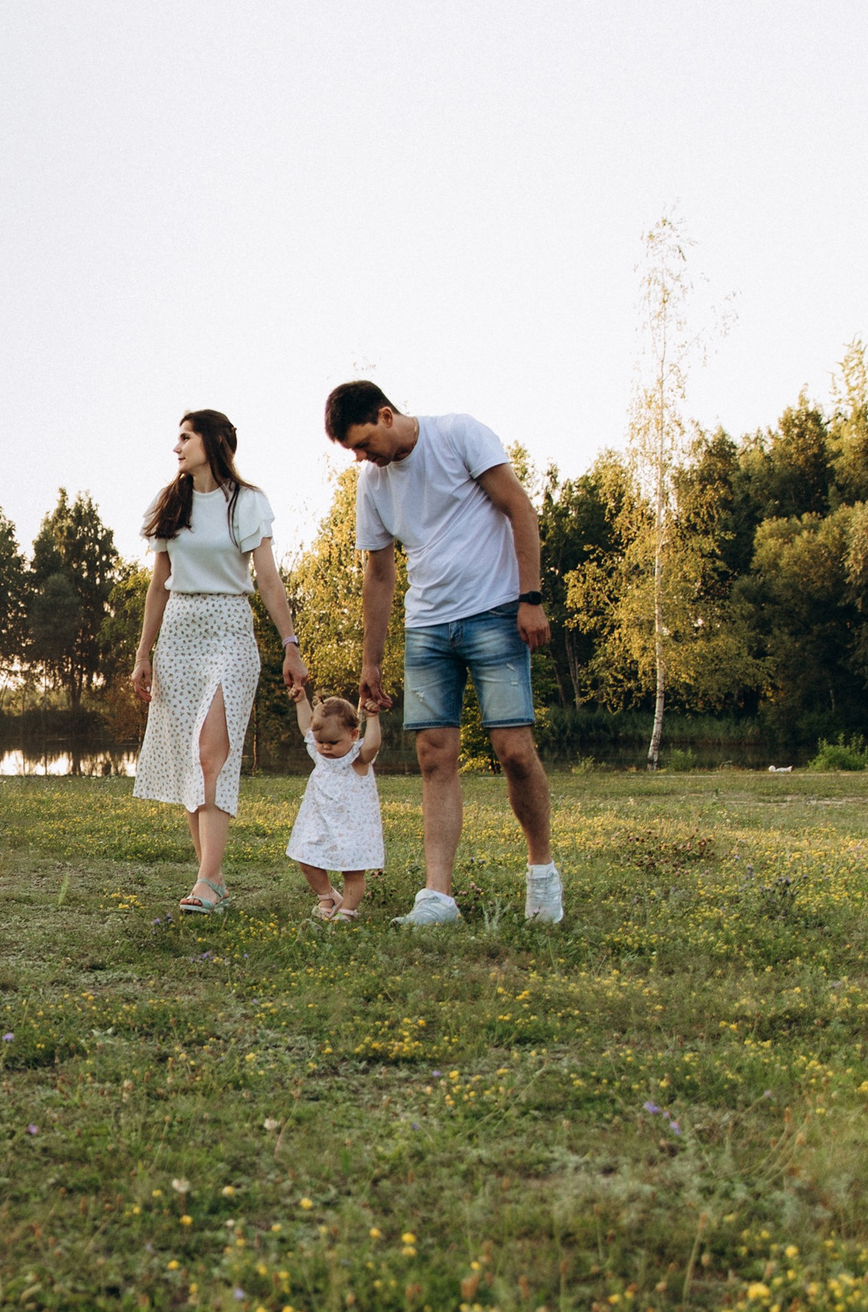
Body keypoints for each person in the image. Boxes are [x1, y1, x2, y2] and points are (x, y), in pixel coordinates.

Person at [324, 380, 562, 925]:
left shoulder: (458, 435)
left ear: (386, 415)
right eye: (353, 452)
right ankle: (438, 897)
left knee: (514, 751)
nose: (361, 458)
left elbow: (520, 509)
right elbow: (379, 574)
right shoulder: (372, 483)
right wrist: (371, 661)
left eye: (363, 444)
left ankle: (542, 874)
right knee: (433, 756)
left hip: (496, 613)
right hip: (429, 626)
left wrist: (531, 598)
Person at [129, 409, 312, 913]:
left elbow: (269, 581)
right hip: (179, 634)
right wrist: (143, 654)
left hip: (230, 627)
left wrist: (289, 643)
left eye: (185, 437)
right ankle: (211, 881)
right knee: (192, 758)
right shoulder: (169, 504)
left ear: (212, 442)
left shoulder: (248, 503)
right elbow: (157, 587)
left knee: (213, 750)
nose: (177, 447)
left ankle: (208, 881)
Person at [286, 694, 384, 919]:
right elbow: (306, 728)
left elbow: (373, 744)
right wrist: (301, 701)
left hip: (352, 827)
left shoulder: (357, 758)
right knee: (306, 857)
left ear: (353, 735)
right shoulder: (319, 753)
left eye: (333, 743)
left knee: (353, 872)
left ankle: (348, 909)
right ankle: (327, 895)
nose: (325, 747)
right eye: (321, 742)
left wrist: (373, 718)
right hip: (320, 821)